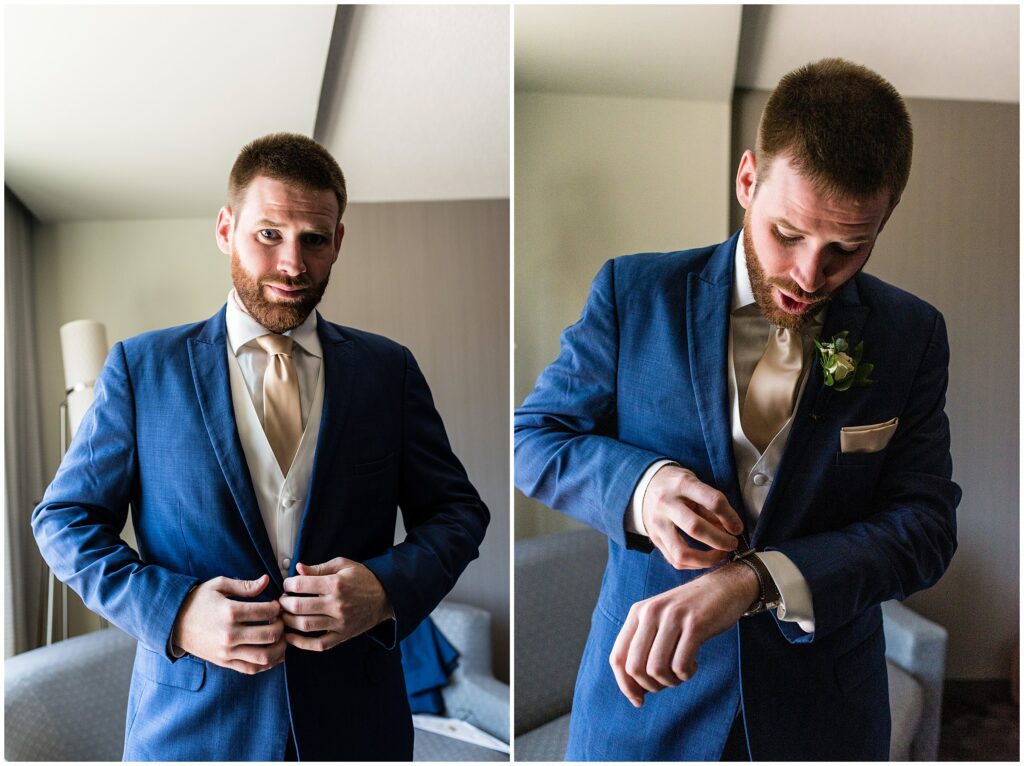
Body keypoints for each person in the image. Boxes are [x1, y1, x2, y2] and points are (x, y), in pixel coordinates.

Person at [514, 58, 959, 761]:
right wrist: (643, 486)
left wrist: (759, 580)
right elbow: (534, 438)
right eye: (788, 234)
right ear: (747, 179)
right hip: (645, 711)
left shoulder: (911, 335)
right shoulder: (636, 293)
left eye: (847, 247)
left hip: (823, 720)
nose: (810, 277)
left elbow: (926, 529)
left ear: (887, 213)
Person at [33, 132, 490, 761]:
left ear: (339, 242)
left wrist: (383, 590)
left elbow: (459, 513)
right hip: (192, 729)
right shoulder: (142, 369)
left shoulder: (389, 371)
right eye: (269, 234)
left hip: (357, 726)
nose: (292, 264)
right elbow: (63, 520)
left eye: (314, 239)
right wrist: (177, 612)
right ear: (226, 229)